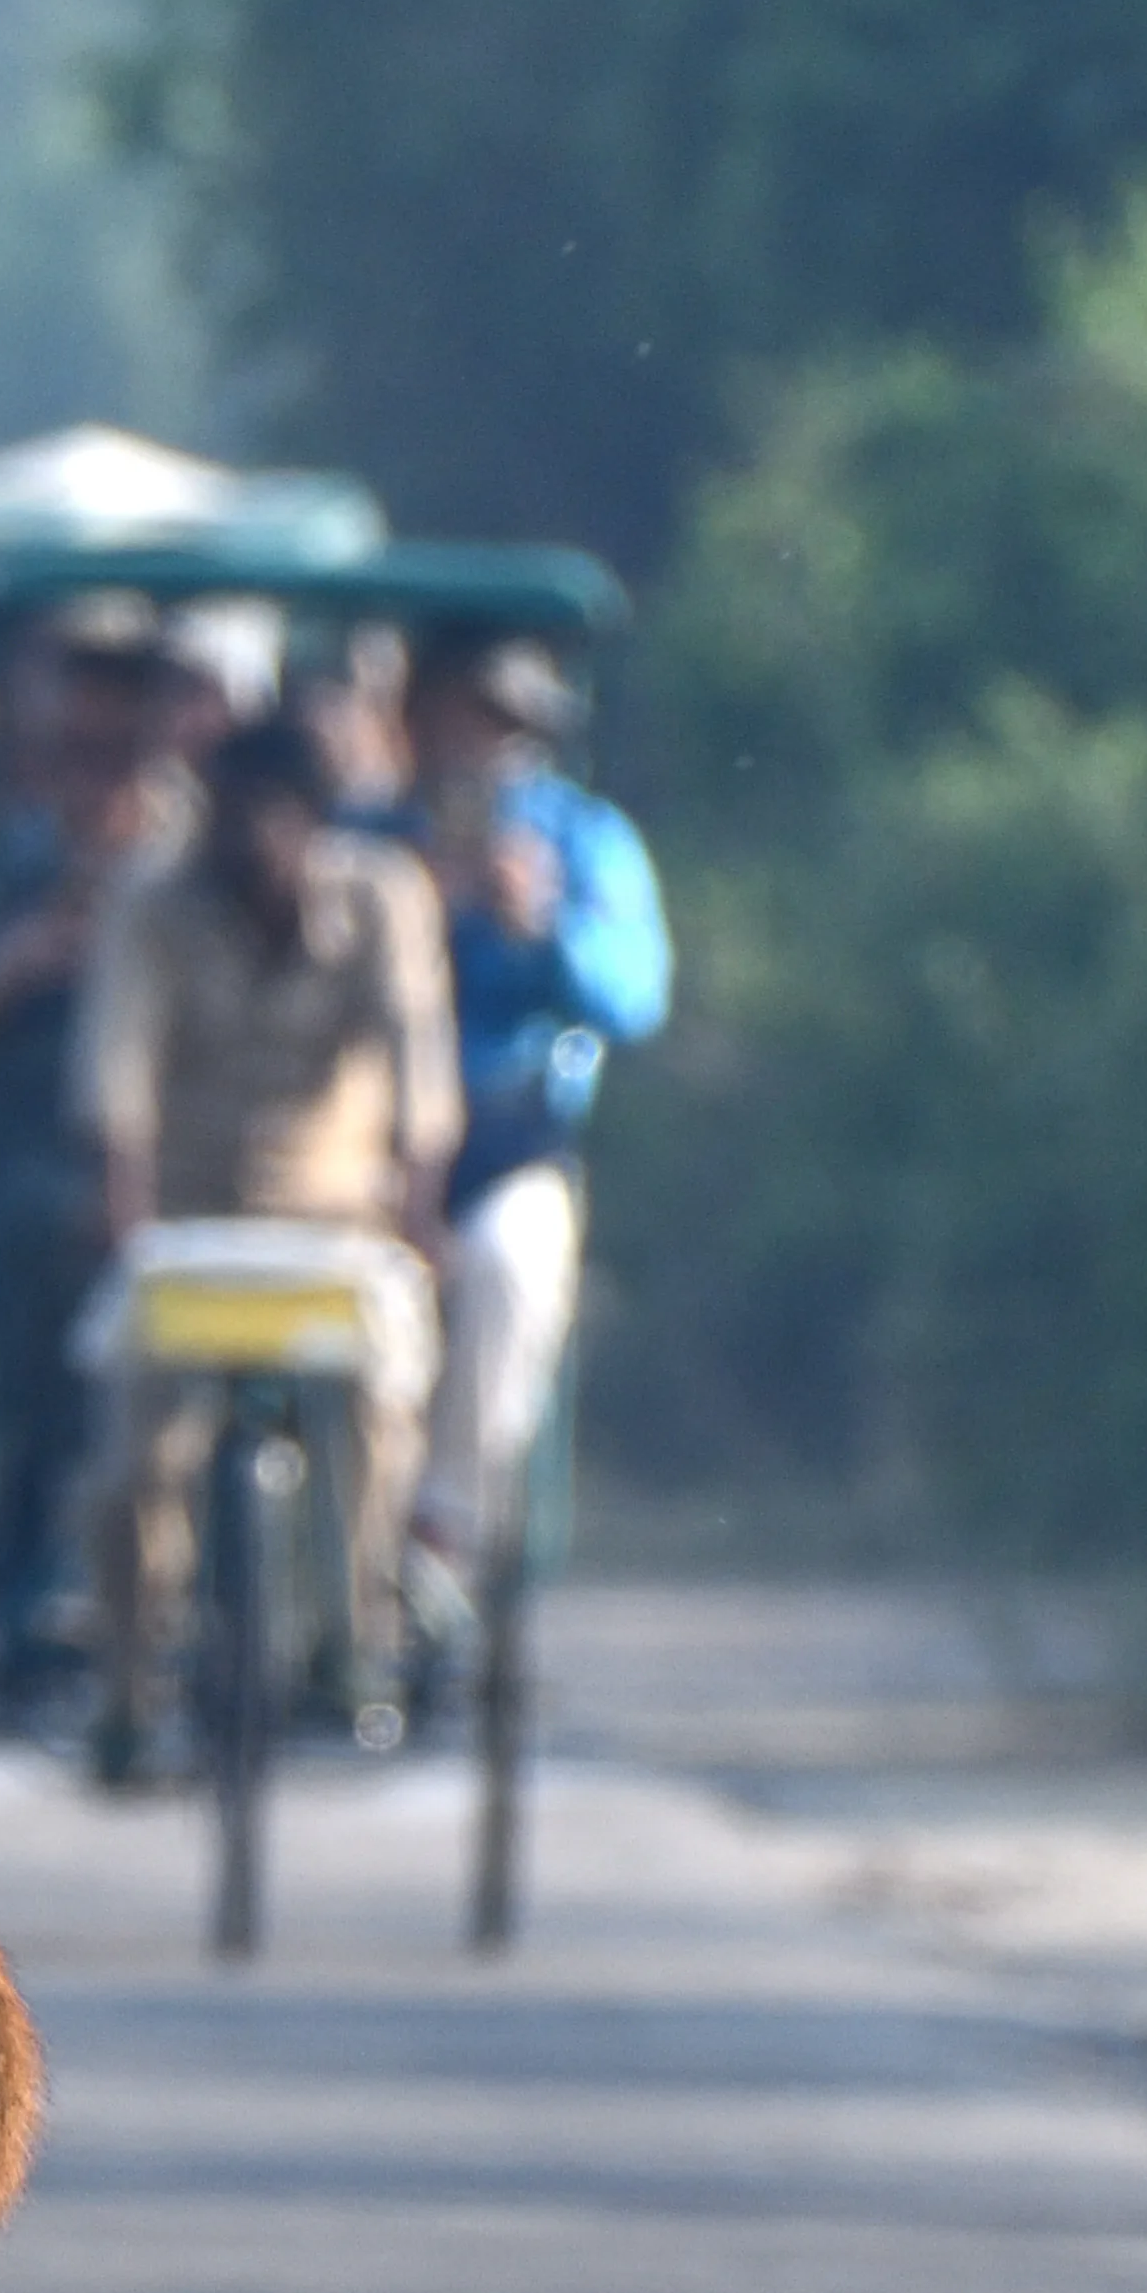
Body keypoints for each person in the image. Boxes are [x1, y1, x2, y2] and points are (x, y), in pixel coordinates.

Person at [77, 705, 458, 1765]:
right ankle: (128, 1682)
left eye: (273, 815)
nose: (250, 838)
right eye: (231, 813)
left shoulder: (383, 899)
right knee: (136, 1459)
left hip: (338, 1221)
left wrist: (419, 1214)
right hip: (190, 1224)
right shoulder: (150, 905)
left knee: (379, 1406)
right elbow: (118, 1083)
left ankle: (355, 1631)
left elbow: (420, 1076)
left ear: (314, 821)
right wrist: (128, 1225)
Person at [0, 597, 189, 1711]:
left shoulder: (210, 865)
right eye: (75, 745)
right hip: (32, 1162)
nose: (96, 772)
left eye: (121, 745)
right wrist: (4, 978)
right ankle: (29, 1573)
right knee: (41, 1258)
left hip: (185, 1165)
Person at [374, 627, 671, 1610]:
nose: (476, 751)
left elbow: (634, 995)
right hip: (358, 1149)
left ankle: (440, 1525)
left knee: (511, 1266)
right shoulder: (359, 841)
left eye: (501, 729)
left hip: (507, 1140)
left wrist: (538, 929)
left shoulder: (581, 841)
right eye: (458, 719)